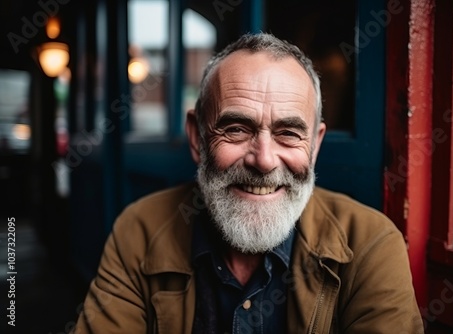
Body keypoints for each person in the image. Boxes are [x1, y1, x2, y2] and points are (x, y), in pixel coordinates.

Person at [74, 33, 423, 333]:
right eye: (237, 129)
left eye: (288, 134)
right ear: (197, 138)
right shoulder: (139, 230)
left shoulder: (371, 245)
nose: (264, 160)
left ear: (314, 145)